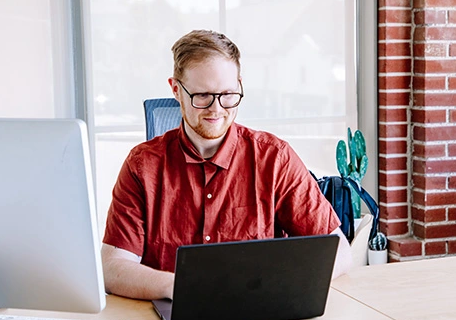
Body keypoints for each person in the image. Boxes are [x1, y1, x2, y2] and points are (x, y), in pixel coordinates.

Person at [101, 29, 352, 301]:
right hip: (173, 311)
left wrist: (277, 285)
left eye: (228, 94)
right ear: (176, 89)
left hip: (257, 311)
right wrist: (180, 286)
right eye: (203, 96)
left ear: (239, 85)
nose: (216, 109)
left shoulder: (274, 158)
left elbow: (338, 249)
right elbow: (113, 268)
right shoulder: (142, 166)